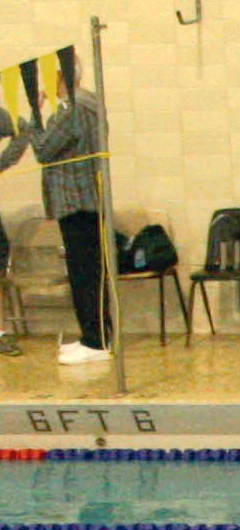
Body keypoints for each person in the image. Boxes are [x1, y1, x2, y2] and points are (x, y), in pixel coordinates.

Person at [0, 86, 109, 364]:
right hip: (78, 200)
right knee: (84, 270)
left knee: (85, 271)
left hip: (77, 200)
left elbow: (41, 147)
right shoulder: (81, 104)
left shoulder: (76, 107)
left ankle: (95, 340)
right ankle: (93, 337)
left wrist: (33, 115)